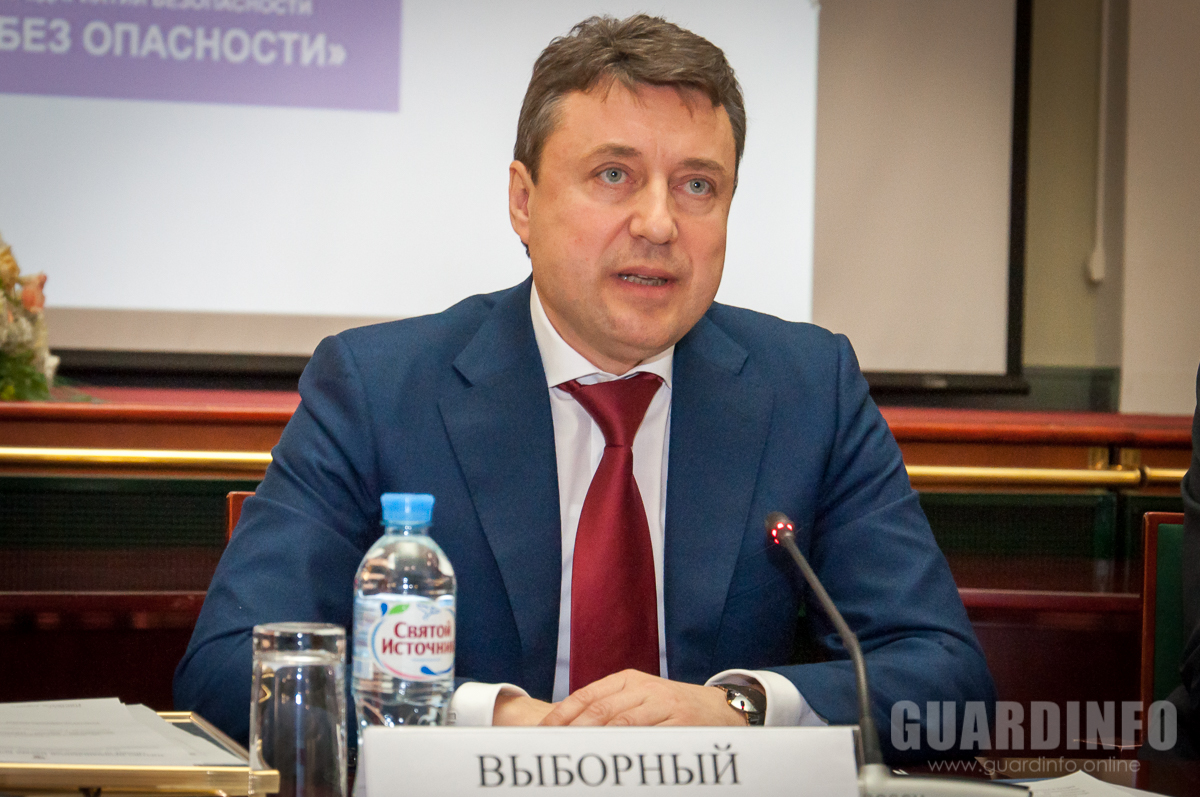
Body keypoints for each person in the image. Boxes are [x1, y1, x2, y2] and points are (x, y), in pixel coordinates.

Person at [174, 14, 993, 759]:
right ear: (522, 202)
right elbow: (228, 668)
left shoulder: (809, 391)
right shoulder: (380, 390)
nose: (659, 224)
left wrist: (739, 706)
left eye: (698, 185)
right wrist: (493, 722)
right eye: (613, 175)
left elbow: (947, 679)